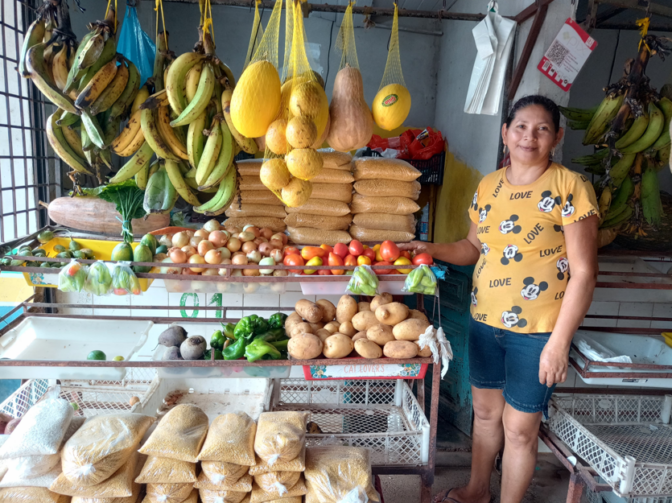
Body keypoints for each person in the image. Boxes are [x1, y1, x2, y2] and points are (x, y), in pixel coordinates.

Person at [401, 95, 599, 503]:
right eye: (521, 127)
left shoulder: (571, 187)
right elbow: (472, 248)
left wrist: (559, 343)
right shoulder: (488, 186)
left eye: (542, 128)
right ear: (505, 133)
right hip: (485, 322)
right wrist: (428, 248)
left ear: (557, 137)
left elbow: (584, 273)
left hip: (538, 332)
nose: (530, 136)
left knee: (519, 429)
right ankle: (477, 490)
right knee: (487, 415)